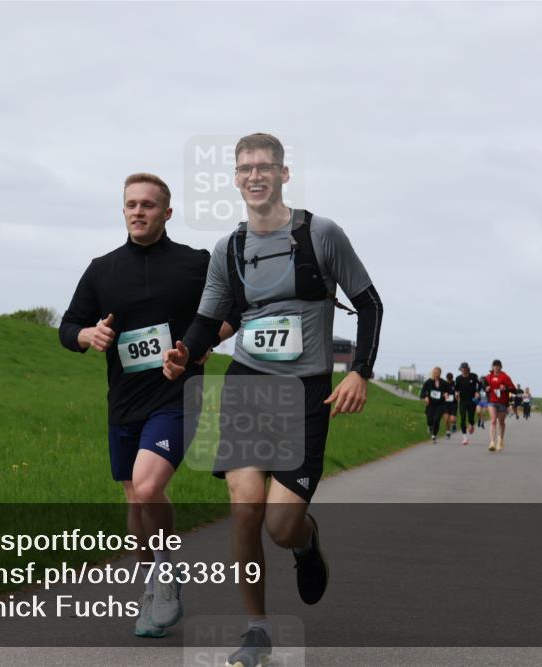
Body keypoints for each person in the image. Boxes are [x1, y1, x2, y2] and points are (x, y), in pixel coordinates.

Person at [161, 133, 383, 667]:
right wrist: (184, 352)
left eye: (265, 166)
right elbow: (208, 319)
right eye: (245, 168)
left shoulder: (321, 234)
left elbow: (370, 303)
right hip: (246, 385)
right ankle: (256, 629)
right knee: (245, 509)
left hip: (306, 392)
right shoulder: (229, 249)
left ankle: (305, 545)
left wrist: (359, 374)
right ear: (235, 179)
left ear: (285, 173)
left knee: (281, 525)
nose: (255, 175)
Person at [59, 173, 238, 638]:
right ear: (123, 210)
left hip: (178, 395)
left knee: (147, 482)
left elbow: (235, 309)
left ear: (167, 212)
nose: (138, 211)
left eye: (149, 205)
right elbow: (69, 325)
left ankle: (165, 584)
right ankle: (157, 579)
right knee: (136, 504)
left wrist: (200, 346)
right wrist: (88, 335)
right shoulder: (102, 269)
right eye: (131, 204)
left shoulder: (196, 263)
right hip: (124, 402)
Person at [483, 359, 517, 452]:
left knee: (501, 422)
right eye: (495, 366)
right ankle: (492, 442)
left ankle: (500, 440)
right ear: (492, 367)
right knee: (493, 420)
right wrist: (486, 388)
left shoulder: (505, 377)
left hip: (502, 403)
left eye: (498, 366)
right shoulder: (488, 377)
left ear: (501, 367)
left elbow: (514, 389)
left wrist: (505, 388)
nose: (496, 368)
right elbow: (483, 386)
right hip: (492, 401)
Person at [454, 362, 481, 446]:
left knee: (471, 418)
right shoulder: (458, 378)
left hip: (472, 400)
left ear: (468, 368)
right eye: (462, 368)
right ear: (460, 369)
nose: (464, 370)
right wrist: (456, 393)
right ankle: (464, 437)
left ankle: (472, 424)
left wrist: (477, 392)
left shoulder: (473, 376)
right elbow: (456, 389)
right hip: (462, 401)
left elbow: (480, 384)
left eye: (465, 368)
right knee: (462, 418)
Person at [420, 367, 448, 443]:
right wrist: (425, 398)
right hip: (430, 404)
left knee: (436, 420)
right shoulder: (428, 382)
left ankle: (434, 435)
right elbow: (422, 392)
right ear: (432, 373)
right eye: (434, 372)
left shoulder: (444, 382)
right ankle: (429, 426)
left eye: (437, 373)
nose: (436, 374)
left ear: (440, 373)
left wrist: (446, 394)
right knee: (430, 420)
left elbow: (448, 391)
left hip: (440, 404)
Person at [443, 372, 458, 438]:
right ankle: (448, 432)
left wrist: (457, 394)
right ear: (446, 379)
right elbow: (441, 391)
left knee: (452, 419)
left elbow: (458, 391)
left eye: (450, 379)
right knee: (446, 419)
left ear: (452, 378)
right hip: (446, 404)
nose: (449, 380)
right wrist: (444, 394)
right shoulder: (444, 384)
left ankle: (454, 424)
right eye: (448, 379)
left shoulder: (455, 384)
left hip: (453, 404)